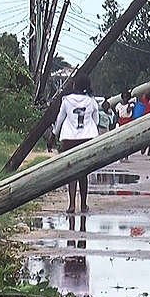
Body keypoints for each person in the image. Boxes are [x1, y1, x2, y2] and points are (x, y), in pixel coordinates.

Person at [52, 74, 99, 214]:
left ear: (75, 85)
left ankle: (72, 204)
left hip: (69, 140)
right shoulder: (92, 102)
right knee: (83, 173)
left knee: (71, 172)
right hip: (87, 139)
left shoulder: (67, 101)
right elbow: (95, 121)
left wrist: (53, 135)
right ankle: (83, 205)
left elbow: (60, 120)